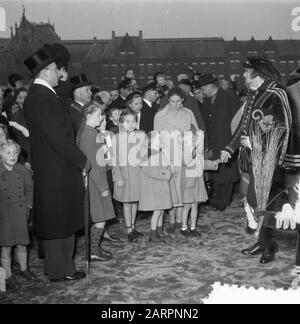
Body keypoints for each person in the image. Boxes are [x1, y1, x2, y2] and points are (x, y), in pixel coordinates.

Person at [23, 47, 89, 282]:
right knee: (58, 220)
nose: (59, 74)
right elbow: (59, 138)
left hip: (54, 168)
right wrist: (82, 160)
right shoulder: (42, 98)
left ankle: (61, 268)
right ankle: (62, 270)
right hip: (57, 168)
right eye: (54, 70)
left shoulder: (42, 95)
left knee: (59, 219)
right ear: (46, 71)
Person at [221, 56, 291, 264]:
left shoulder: (275, 93)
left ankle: (268, 245)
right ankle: (263, 241)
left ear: (257, 73)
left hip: (269, 159)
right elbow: (243, 125)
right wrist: (229, 148)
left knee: (264, 202)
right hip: (253, 159)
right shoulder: (254, 95)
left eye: (246, 71)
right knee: (256, 200)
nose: (243, 75)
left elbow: (279, 126)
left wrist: (254, 142)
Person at [154, 87, 199, 235]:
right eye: (172, 101)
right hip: (169, 156)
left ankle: (181, 220)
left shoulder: (188, 113)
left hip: (185, 156)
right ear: (168, 100)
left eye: (178, 101)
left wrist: (193, 149)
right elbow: (156, 139)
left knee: (183, 189)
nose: (175, 104)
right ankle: (172, 220)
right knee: (171, 189)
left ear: (183, 100)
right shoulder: (160, 116)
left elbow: (195, 133)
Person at [77, 103, 115, 261]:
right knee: (101, 217)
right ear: (88, 115)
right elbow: (94, 163)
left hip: (93, 180)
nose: (101, 117)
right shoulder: (89, 134)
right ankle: (92, 251)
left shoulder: (89, 132)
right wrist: (103, 187)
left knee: (100, 217)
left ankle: (95, 248)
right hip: (95, 182)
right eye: (99, 114)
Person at [199, 73, 241, 211]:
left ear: (210, 86)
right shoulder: (206, 101)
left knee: (227, 172)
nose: (202, 92)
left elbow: (238, 120)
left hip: (227, 141)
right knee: (216, 171)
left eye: (203, 89)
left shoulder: (229, 96)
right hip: (213, 142)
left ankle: (223, 201)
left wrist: (234, 142)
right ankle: (218, 200)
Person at [0, 140, 36, 290]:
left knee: (22, 243)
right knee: (6, 246)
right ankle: (8, 275)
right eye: (8, 153)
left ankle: (23, 269)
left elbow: (29, 190)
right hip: (4, 213)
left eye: (15, 152)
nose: (12, 155)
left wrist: (28, 206)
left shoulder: (23, 171)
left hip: (21, 211)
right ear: (1, 154)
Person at [112, 108, 147, 242]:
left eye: (133, 121)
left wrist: (142, 160)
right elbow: (114, 160)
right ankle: (128, 229)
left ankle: (133, 226)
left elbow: (144, 153)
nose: (131, 124)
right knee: (127, 203)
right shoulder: (116, 138)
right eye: (127, 121)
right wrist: (117, 177)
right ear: (121, 123)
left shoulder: (141, 135)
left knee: (135, 201)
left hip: (137, 173)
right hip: (124, 174)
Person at [139, 132, 178, 243]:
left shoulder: (160, 154)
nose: (162, 142)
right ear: (151, 142)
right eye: (159, 140)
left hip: (162, 188)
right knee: (157, 212)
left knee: (161, 211)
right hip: (155, 189)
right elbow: (152, 172)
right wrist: (167, 172)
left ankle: (159, 232)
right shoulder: (149, 156)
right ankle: (153, 234)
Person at [9, 87, 31, 167]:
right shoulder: (15, 117)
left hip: (38, 152)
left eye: (25, 97)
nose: (23, 100)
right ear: (16, 100)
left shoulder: (35, 114)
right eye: (20, 98)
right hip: (23, 155)